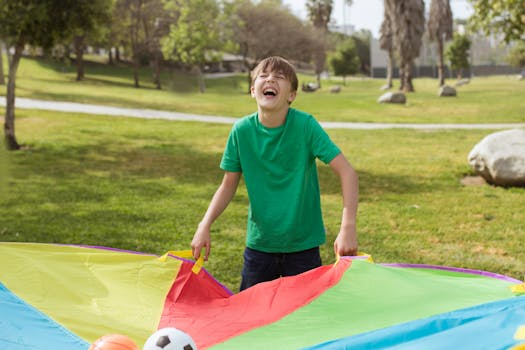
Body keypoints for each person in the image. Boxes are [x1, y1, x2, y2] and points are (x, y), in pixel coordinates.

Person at [191, 56, 359, 291]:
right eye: (263, 76)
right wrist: (204, 224)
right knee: (252, 319)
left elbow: (347, 172)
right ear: (253, 90)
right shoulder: (241, 131)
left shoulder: (305, 126)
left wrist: (347, 227)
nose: (270, 79)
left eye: (279, 77)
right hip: (260, 247)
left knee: (304, 318)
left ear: (291, 95)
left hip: (303, 248)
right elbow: (228, 185)